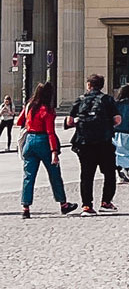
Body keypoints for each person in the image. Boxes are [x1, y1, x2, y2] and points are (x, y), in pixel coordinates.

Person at [17, 81, 78, 218]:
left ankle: (25, 207)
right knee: (54, 174)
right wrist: (54, 152)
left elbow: (18, 122)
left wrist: (29, 122)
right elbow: (50, 132)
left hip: (29, 141)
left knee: (28, 176)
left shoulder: (29, 106)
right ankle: (63, 204)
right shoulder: (47, 111)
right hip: (43, 141)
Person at [65, 74, 121, 215]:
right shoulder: (107, 100)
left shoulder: (80, 100)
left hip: (84, 142)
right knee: (109, 173)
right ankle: (106, 202)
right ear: (101, 85)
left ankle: (87, 206)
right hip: (104, 142)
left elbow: (69, 121)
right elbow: (118, 120)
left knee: (86, 175)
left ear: (89, 85)